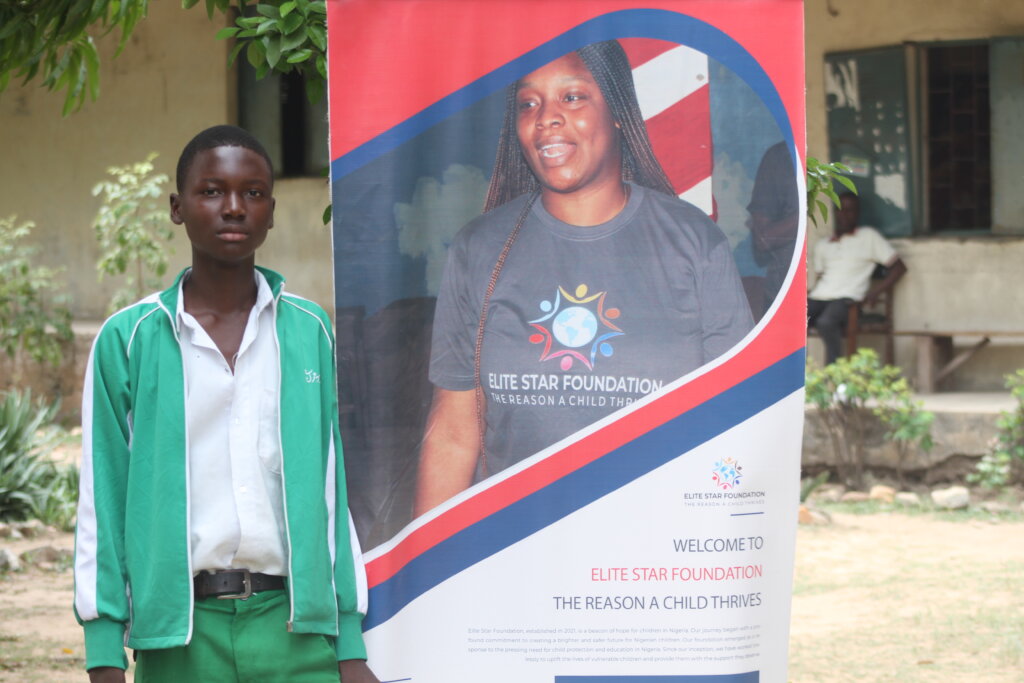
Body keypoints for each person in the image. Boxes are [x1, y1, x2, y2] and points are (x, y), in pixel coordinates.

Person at [74, 126, 379, 683]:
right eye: (212, 191)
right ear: (177, 208)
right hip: (181, 639)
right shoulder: (131, 339)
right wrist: (103, 655)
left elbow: (333, 491)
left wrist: (349, 643)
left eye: (253, 193)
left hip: (296, 633)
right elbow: (103, 499)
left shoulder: (310, 331)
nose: (234, 208)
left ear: (271, 211)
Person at [415, 41, 753, 515]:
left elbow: (733, 416)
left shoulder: (695, 243)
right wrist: (435, 571)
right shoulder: (479, 249)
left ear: (617, 111)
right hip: (515, 545)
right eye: (528, 104)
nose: (546, 118)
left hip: (658, 546)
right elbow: (453, 431)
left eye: (571, 97)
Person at [808, 192, 907, 364]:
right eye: (840, 210)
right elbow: (820, 277)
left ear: (857, 214)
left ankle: (834, 376)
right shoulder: (824, 244)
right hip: (819, 296)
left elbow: (899, 268)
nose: (844, 215)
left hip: (848, 300)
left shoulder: (868, 237)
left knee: (826, 323)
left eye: (850, 210)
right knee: (790, 322)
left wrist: (875, 292)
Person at [746, 140, 799, 315]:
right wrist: (808, 208)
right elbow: (764, 239)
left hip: (832, 291)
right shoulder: (781, 158)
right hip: (785, 293)